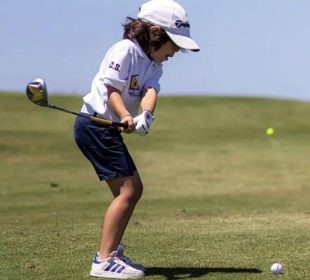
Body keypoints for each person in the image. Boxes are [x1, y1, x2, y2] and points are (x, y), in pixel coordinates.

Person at [73, 0, 200, 278]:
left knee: (129, 191)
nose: (176, 51)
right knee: (130, 190)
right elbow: (111, 91)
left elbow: (151, 90)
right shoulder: (125, 50)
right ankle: (103, 260)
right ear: (156, 34)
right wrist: (124, 116)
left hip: (106, 129)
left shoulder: (153, 63)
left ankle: (110, 252)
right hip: (94, 125)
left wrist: (145, 115)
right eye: (174, 44)